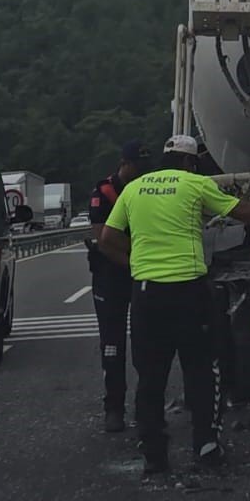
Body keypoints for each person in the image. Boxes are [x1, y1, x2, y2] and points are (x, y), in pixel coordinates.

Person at [100, 133, 250, 475]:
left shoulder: (133, 189)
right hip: (188, 291)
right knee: (202, 370)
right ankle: (206, 447)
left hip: (147, 294)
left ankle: (154, 455)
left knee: (150, 377)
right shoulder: (193, 183)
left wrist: (136, 265)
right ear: (190, 161)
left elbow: (108, 239)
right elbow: (240, 210)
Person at [87, 139, 151, 432]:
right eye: (136, 166)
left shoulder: (147, 188)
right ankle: (113, 407)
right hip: (111, 274)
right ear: (124, 164)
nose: (140, 172)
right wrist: (137, 256)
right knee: (112, 345)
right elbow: (103, 239)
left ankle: (146, 406)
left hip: (139, 273)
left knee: (147, 342)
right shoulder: (104, 192)